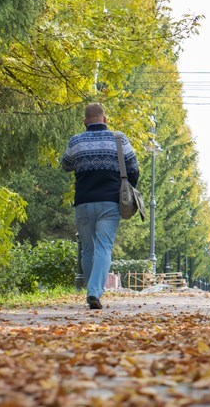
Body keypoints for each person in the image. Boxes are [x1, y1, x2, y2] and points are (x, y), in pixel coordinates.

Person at [62, 103, 139, 309]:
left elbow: (66, 165)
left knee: (87, 249)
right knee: (103, 248)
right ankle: (94, 292)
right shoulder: (119, 139)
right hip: (109, 202)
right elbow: (134, 168)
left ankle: (92, 290)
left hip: (84, 202)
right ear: (105, 119)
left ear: (85, 121)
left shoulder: (75, 141)